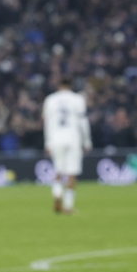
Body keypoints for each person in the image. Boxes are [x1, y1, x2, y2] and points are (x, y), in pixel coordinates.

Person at [42, 77, 92, 214]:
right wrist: (87, 141)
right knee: (72, 173)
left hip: (56, 138)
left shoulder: (50, 100)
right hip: (73, 138)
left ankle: (57, 195)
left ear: (59, 86)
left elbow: (47, 123)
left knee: (58, 171)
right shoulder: (78, 99)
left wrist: (47, 143)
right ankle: (68, 206)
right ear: (71, 86)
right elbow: (83, 122)